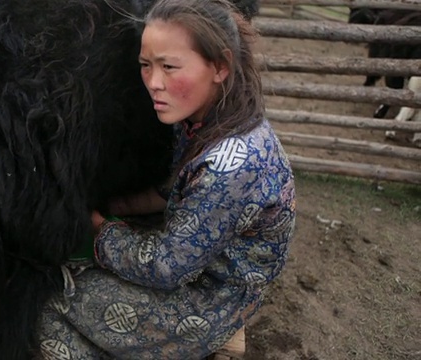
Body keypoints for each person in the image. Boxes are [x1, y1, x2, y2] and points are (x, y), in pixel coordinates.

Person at [36, 0, 296, 358]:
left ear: (220, 66)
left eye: (169, 67)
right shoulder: (207, 120)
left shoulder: (231, 167)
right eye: (146, 65)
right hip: (206, 274)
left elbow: (164, 266)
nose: (154, 83)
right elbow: (176, 188)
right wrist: (116, 206)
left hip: (209, 304)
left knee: (45, 299)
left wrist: (98, 227)